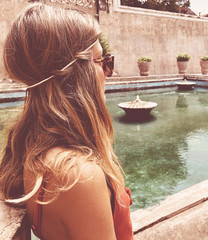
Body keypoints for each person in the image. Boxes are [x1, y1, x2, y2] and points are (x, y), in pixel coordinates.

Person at [0, 3, 133, 240]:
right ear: (79, 74)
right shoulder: (77, 175)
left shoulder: (30, 149)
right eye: (103, 61)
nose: (107, 72)